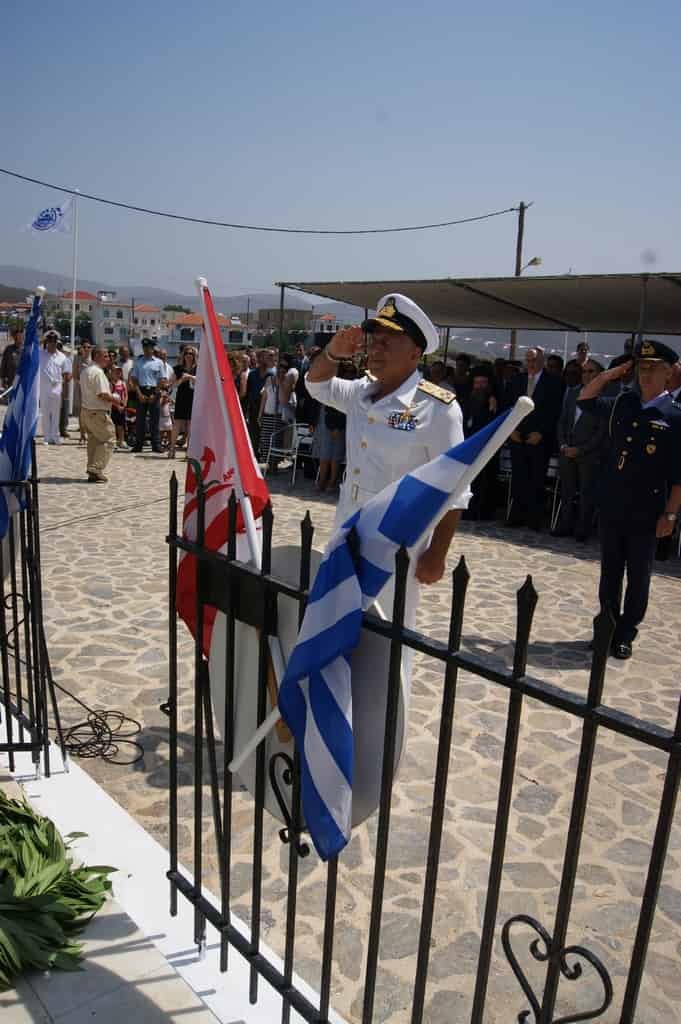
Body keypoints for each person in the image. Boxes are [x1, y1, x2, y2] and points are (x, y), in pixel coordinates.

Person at [305, 293, 470, 584]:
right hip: (347, 525)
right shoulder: (360, 392)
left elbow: (456, 487)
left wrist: (437, 554)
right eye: (373, 341)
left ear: (415, 352)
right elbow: (317, 385)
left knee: (386, 623)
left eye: (387, 342)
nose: (375, 350)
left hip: (395, 540)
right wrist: (332, 352)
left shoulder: (437, 409)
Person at [578, 339, 681, 659]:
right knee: (610, 571)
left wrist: (671, 515)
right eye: (642, 368)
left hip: (647, 510)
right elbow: (586, 399)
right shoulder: (625, 402)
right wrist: (610, 375)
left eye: (654, 369)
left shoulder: (674, 416)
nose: (646, 375)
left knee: (638, 575)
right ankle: (605, 627)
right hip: (613, 503)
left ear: (669, 374)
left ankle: (626, 632)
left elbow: (679, 477)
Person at [503, 346, 564, 529]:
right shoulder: (517, 380)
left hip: (539, 438)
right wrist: (511, 429)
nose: (530, 364)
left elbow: (555, 412)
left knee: (536, 479)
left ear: (542, 362)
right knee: (518, 477)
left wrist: (541, 433)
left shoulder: (554, 382)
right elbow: (508, 405)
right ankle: (515, 516)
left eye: (534, 361)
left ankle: (533, 519)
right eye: (527, 360)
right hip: (517, 436)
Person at [552, 359, 608, 541]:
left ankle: (582, 530)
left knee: (586, 493)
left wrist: (581, 449)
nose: (587, 375)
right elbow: (561, 421)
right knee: (566, 491)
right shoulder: (573, 394)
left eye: (591, 371)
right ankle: (565, 525)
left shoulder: (605, 399)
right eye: (584, 371)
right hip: (567, 451)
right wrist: (563, 445)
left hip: (589, 455)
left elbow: (602, 431)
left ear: (599, 375)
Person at [462, 366, 499, 519]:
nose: (479, 386)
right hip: (468, 443)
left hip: (484, 445)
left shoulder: (493, 401)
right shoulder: (467, 399)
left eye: (483, 383)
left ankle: (480, 512)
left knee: (483, 481)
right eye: (477, 383)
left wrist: (492, 408)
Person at [80, 346, 120, 482]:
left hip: (86, 411)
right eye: (106, 356)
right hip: (97, 412)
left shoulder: (85, 371)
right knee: (109, 438)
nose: (108, 359)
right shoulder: (97, 373)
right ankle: (96, 469)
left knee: (94, 441)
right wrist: (116, 400)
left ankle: (92, 469)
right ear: (97, 356)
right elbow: (102, 394)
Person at [129, 338, 167, 453]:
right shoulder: (138, 362)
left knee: (154, 420)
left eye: (149, 348)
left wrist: (154, 394)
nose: (146, 350)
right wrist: (139, 393)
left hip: (154, 391)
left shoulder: (159, 362)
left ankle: (156, 445)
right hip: (141, 390)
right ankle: (138, 444)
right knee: (140, 420)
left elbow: (162, 380)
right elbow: (134, 379)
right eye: (144, 348)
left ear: (152, 348)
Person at [39, 331, 71, 445]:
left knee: (56, 412)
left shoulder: (62, 357)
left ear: (57, 342)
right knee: (45, 412)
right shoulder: (40, 354)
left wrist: (67, 379)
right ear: (46, 342)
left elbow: (67, 373)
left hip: (57, 386)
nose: (51, 344)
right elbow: (30, 351)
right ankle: (47, 437)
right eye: (49, 342)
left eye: (53, 342)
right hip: (44, 386)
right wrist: (41, 341)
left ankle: (55, 436)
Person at [168, 346, 197, 458]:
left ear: (194, 356)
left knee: (191, 426)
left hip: (193, 398)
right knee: (177, 424)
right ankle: (172, 449)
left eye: (191, 353)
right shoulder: (178, 368)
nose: (189, 355)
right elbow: (173, 384)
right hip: (181, 398)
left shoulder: (198, 368)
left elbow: (203, 382)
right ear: (183, 355)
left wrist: (191, 377)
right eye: (187, 353)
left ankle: (188, 451)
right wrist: (182, 379)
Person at [110, 365, 129, 450]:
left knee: (121, 425)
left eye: (119, 372)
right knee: (113, 425)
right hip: (113, 407)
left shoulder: (122, 383)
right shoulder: (110, 384)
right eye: (116, 372)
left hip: (121, 406)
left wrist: (124, 404)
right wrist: (117, 406)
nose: (118, 373)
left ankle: (121, 441)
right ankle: (113, 441)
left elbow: (125, 394)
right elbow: (109, 397)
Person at [0, 325, 24, 392]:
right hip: (11, 382)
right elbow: (3, 365)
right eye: (17, 336)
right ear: (14, 337)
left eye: (21, 336)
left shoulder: (26, 350)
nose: (20, 338)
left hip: (22, 383)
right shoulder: (8, 349)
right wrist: (2, 379)